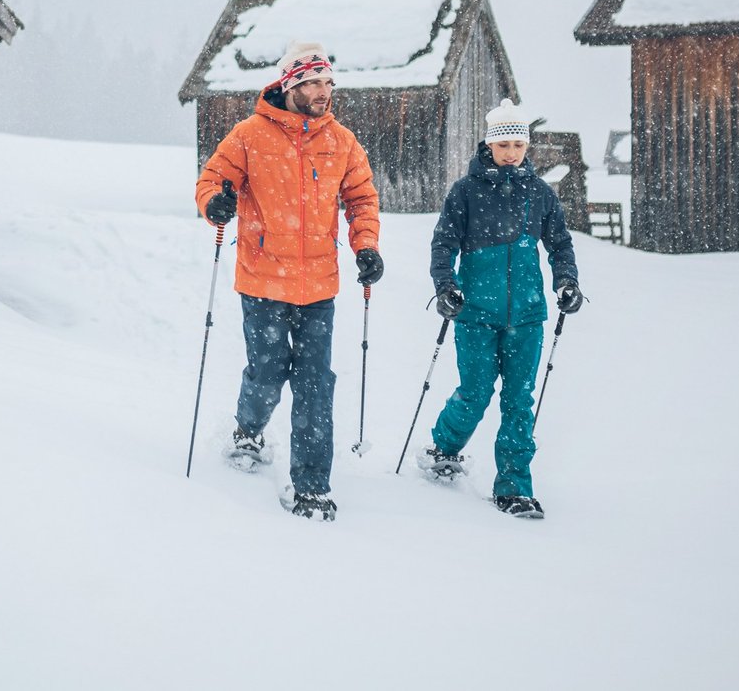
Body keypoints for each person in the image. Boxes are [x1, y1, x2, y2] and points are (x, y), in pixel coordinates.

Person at [195, 40, 382, 522]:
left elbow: (361, 199)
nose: (325, 91)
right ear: (291, 85)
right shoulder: (249, 135)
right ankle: (248, 429)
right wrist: (215, 202)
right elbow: (212, 178)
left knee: (316, 384)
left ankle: (312, 485)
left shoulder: (341, 141)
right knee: (267, 373)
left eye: (329, 82)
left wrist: (366, 246)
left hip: (319, 284)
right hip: (262, 281)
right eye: (316, 82)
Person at [417, 98, 582, 519]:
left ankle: (513, 486)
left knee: (519, 400)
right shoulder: (466, 192)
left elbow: (560, 244)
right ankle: (445, 446)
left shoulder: (539, 193)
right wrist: (446, 286)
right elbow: (444, 244)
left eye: (518, 145)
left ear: (527, 148)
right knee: (475, 392)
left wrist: (566, 282)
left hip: (527, 316)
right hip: (475, 314)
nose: (511, 153)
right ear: (489, 145)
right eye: (504, 144)